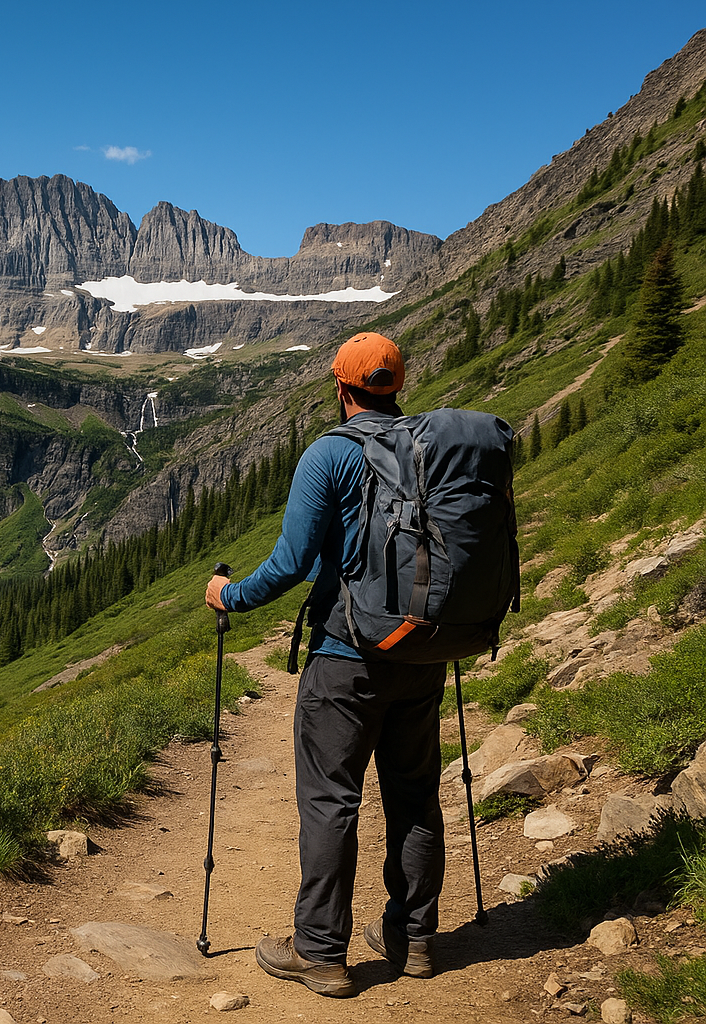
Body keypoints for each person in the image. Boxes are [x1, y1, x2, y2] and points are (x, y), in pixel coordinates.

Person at [204, 331, 444, 998]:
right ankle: (415, 939)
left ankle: (320, 953)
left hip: (345, 659)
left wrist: (231, 595)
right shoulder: (431, 448)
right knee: (415, 795)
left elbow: (291, 563)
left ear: (340, 389)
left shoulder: (328, 456)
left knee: (332, 801)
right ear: (395, 387)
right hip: (421, 653)